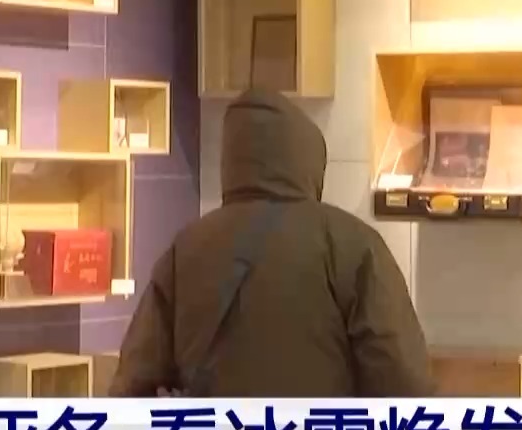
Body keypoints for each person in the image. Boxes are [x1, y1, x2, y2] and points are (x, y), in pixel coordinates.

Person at [110, 89, 434, 397]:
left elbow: (134, 385)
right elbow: (403, 383)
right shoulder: (352, 246)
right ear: (307, 158)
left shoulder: (185, 250)